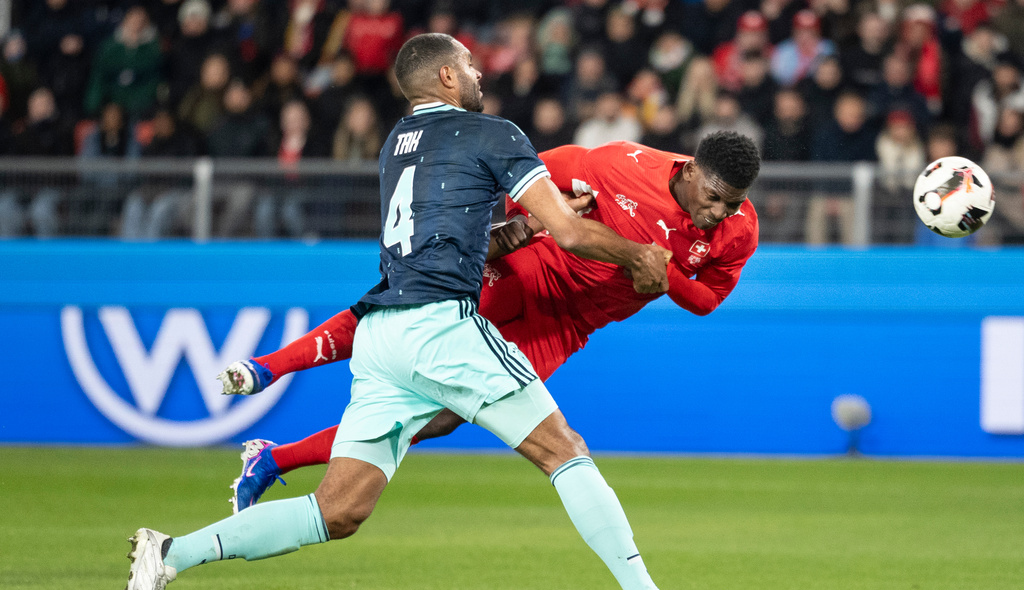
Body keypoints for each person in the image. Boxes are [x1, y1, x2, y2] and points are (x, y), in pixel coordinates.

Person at [121, 33, 732, 590]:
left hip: (386, 336)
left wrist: (515, 233)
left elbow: (458, 231)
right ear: (445, 77)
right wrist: (641, 257)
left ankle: (171, 552)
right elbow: (570, 234)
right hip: (443, 327)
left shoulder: (396, 145)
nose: (479, 74)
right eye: (469, 65)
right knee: (562, 449)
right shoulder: (495, 134)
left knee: (337, 512)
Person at [222, 131, 761, 509]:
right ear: (690, 171)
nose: (718, 214)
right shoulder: (619, 165)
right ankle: (269, 366)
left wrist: (666, 278)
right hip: (532, 268)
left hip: (569, 325)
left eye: (731, 205)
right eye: (713, 199)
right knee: (408, 304)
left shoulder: (740, 230)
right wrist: (498, 226)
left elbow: (707, 299)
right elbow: (524, 175)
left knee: (446, 414)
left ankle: (273, 459)